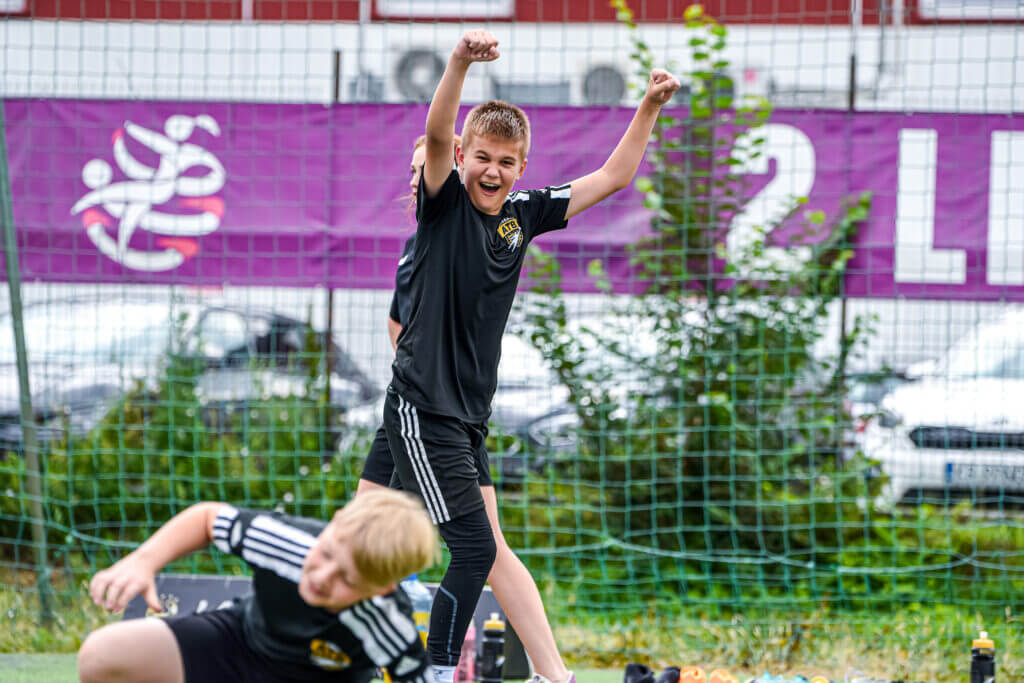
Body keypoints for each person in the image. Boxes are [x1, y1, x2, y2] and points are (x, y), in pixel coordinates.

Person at [382, 28, 681, 683]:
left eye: (506, 161)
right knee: (469, 548)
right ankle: (429, 671)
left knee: (465, 549)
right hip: (423, 410)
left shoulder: (523, 214)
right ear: (462, 157)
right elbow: (436, 134)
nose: (492, 171)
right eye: (481, 157)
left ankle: (554, 674)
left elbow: (615, 176)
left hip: (467, 418)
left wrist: (649, 107)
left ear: (521, 166)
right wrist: (458, 62)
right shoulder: (442, 208)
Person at [357, 133, 575, 683]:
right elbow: (398, 325)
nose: (417, 178)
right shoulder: (420, 243)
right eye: (412, 170)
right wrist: (427, 381)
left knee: (482, 548)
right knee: (374, 545)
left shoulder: (475, 223)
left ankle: (555, 674)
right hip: (418, 413)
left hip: (452, 417)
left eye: (425, 168)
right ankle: (333, 653)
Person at [77, 489, 439, 683]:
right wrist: (143, 561)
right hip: (241, 644)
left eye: (346, 578)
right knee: (103, 654)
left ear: (381, 590)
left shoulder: (387, 623)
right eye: (326, 553)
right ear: (333, 523)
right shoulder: (286, 542)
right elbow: (208, 519)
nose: (322, 576)